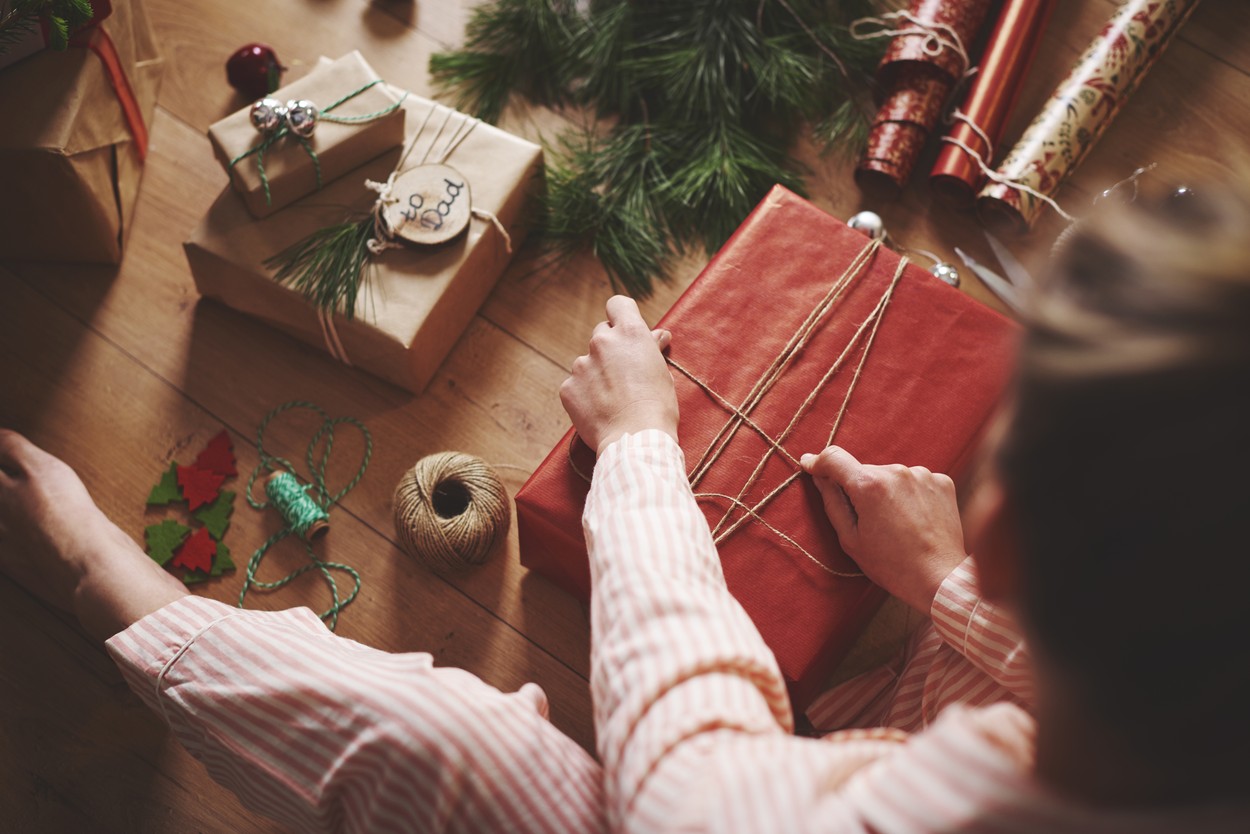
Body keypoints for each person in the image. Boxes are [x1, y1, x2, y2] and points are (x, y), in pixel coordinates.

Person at [2, 184, 1248, 833]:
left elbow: (691, 794)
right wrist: (950, 596)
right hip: (846, 747)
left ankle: (117, 583)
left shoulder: (973, 800)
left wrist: (645, 448)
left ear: (1018, 532)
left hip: (760, 787)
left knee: (444, 742)